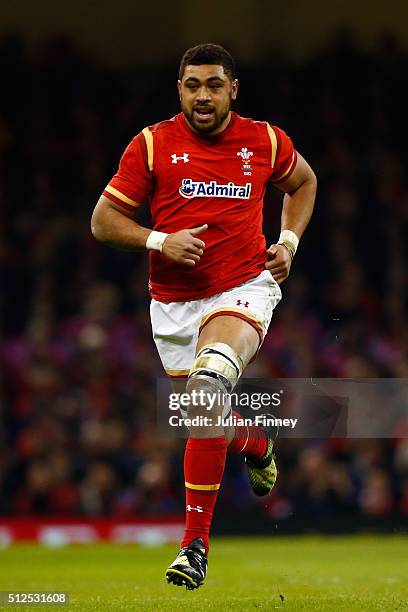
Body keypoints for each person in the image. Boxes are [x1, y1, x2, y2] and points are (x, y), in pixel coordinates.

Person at [91, 43, 317, 590]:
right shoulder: (152, 144)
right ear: (180, 90)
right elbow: (103, 221)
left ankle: (194, 546)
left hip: (243, 287)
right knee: (205, 413)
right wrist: (159, 239)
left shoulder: (264, 140)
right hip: (173, 304)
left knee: (210, 382)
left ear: (232, 90)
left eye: (214, 85)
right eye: (192, 85)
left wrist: (287, 239)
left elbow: (303, 183)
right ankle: (256, 442)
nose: (203, 96)